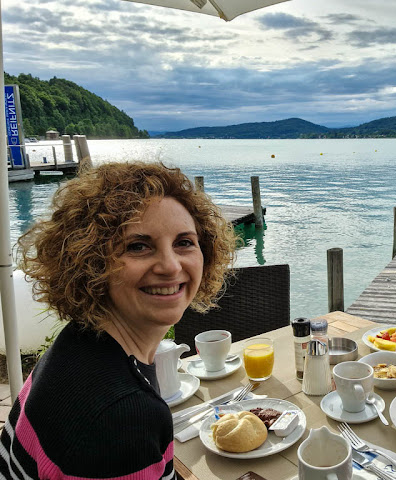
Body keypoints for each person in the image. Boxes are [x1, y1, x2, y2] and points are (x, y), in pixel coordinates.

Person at [0, 162, 236, 479]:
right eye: (138, 246)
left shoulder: (79, 342)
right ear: (92, 263)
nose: (170, 266)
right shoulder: (121, 417)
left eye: (184, 242)